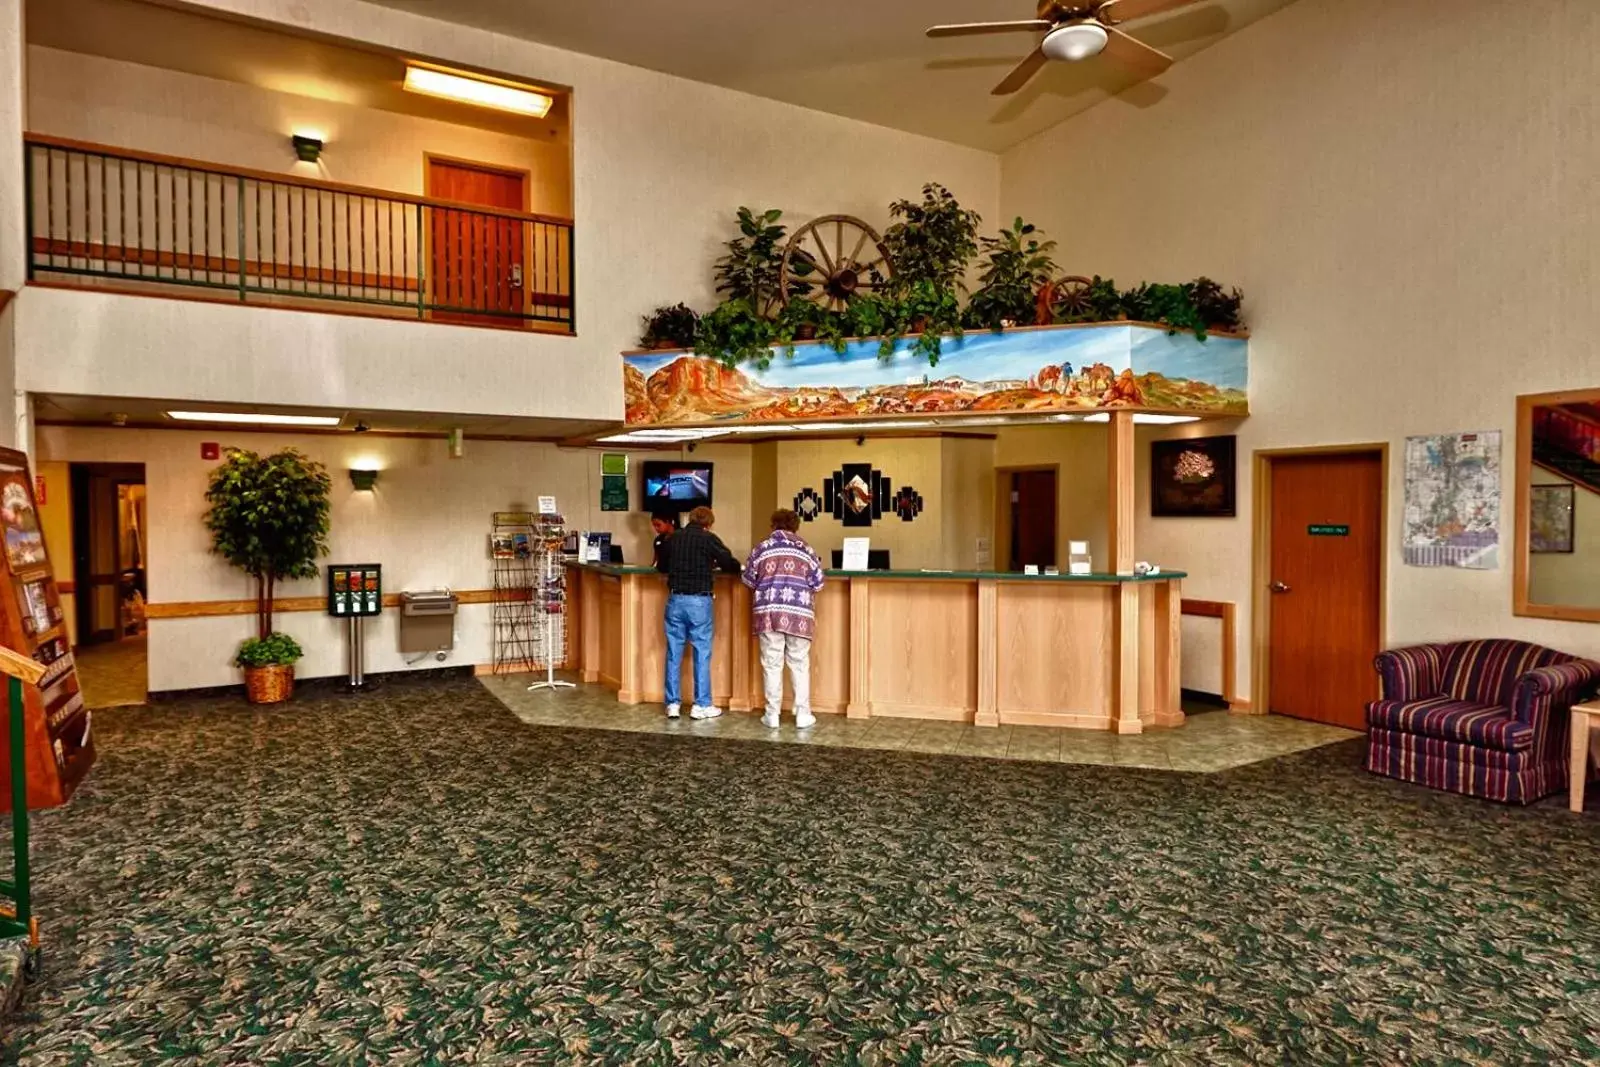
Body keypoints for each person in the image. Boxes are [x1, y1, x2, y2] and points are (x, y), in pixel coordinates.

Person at [742, 509, 825, 730]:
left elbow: (748, 579)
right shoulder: (805, 549)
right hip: (798, 614)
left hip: (768, 613)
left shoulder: (762, 548)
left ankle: (772, 715)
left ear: (773, 525)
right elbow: (818, 583)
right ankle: (803, 714)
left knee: (771, 663)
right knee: (798, 662)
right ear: (795, 526)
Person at [655, 505, 740, 720]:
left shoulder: (673, 538)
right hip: (699, 601)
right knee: (701, 652)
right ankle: (701, 705)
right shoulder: (709, 539)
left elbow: (661, 566)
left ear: (690, 519)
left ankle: (673, 704)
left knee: (674, 652)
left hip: (675, 599)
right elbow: (729, 564)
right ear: (709, 524)